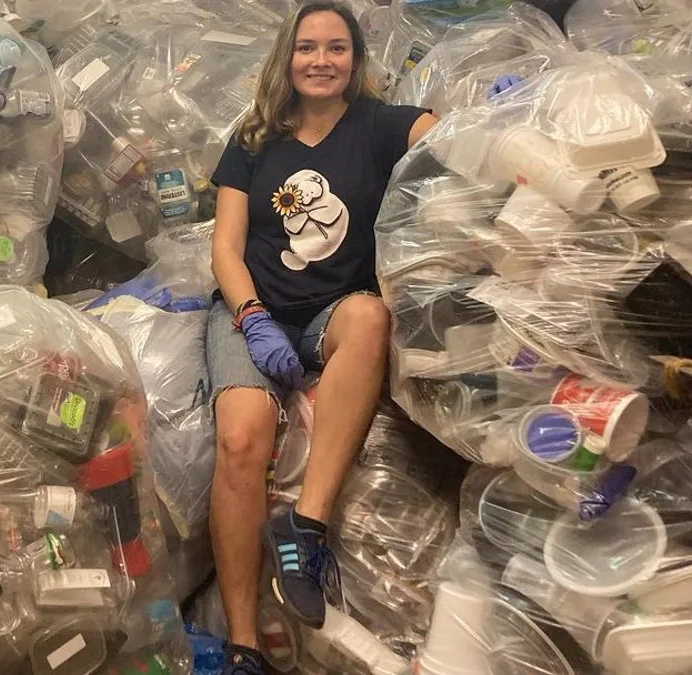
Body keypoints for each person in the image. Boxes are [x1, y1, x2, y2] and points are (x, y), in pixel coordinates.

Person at [206, 2, 438, 673]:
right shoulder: (253, 141)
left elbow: (455, 140)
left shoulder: (381, 126)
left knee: (369, 317)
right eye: (307, 48)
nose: (321, 61)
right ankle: (245, 643)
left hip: (329, 313)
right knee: (242, 436)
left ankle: (303, 527)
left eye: (337, 49)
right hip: (253, 311)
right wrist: (250, 316)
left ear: (357, 61)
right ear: (288, 58)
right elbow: (225, 245)